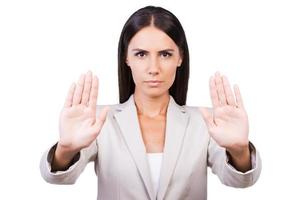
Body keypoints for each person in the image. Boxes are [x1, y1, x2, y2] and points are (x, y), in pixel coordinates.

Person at [40, 5, 262, 200]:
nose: (153, 68)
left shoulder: (205, 122)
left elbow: (239, 181)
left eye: (165, 54)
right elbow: (58, 178)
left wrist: (239, 149)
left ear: (180, 58)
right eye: (141, 54)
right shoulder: (100, 120)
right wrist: (66, 148)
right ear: (126, 58)